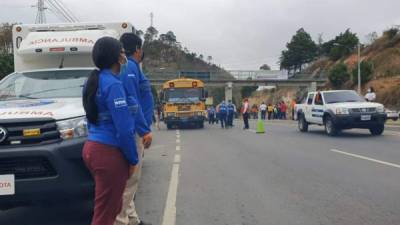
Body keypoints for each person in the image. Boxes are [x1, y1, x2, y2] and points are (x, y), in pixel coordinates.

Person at [82, 37, 139, 225]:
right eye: (122, 52)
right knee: (106, 214)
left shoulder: (92, 81)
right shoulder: (113, 85)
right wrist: (133, 159)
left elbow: (92, 119)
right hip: (109, 153)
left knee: (110, 207)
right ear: (117, 57)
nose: (125, 56)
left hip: (92, 148)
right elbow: (124, 130)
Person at [117, 33, 153, 225]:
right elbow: (133, 102)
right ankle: (121, 220)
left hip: (136, 129)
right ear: (138, 49)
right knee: (131, 180)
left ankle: (131, 219)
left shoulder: (132, 67)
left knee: (132, 180)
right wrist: (144, 130)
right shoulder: (130, 67)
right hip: (134, 131)